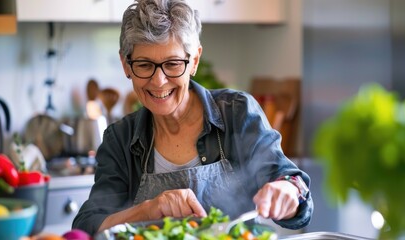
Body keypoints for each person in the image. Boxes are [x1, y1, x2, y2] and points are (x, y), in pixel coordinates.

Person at [73, 0, 313, 235]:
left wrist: (288, 190)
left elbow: (293, 187)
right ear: (126, 65)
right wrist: (148, 209)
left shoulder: (236, 113)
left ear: (194, 61)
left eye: (173, 64)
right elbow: (87, 226)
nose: (159, 81)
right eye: (145, 65)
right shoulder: (120, 139)